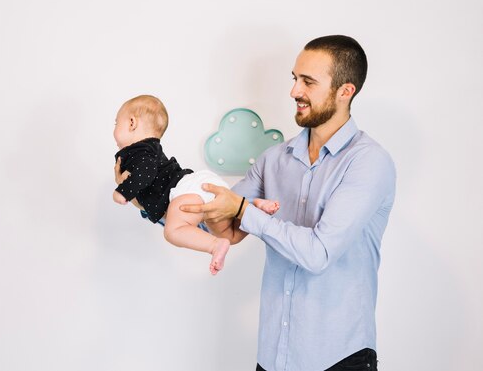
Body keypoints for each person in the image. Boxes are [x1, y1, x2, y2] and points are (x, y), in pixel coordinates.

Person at [181, 35, 396, 370]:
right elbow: (220, 221)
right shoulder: (275, 159)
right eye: (295, 79)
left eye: (308, 82)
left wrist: (243, 210)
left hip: (339, 359)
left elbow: (318, 253)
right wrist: (153, 196)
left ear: (345, 91)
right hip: (273, 358)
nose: (294, 91)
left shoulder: (369, 163)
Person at [112, 95, 279, 275]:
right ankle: (253, 207)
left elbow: (145, 173)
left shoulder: (138, 151)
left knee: (173, 231)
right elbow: (147, 185)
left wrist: (123, 191)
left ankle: (214, 245)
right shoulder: (150, 149)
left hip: (184, 189)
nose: (114, 128)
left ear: (131, 123)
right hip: (200, 186)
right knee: (229, 234)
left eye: (116, 123)